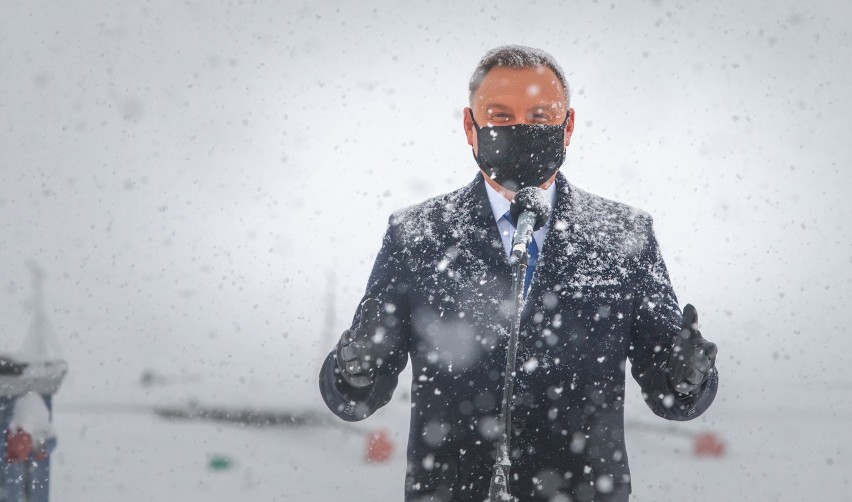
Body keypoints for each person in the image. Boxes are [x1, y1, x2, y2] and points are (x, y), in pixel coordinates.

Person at [319, 45, 719, 502]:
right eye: (501, 116)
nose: (521, 130)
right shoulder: (417, 236)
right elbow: (356, 400)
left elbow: (671, 393)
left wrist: (690, 376)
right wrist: (353, 372)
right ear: (470, 127)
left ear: (567, 127)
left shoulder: (624, 236)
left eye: (541, 115)